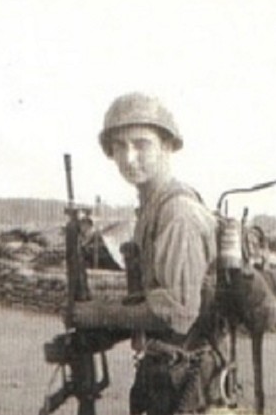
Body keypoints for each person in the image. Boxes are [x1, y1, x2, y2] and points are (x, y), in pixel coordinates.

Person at [67, 92, 224, 414]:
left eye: (141, 144)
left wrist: (98, 313)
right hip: (165, 371)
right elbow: (151, 298)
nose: (128, 157)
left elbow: (176, 313)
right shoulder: (151, 210)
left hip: (188, 381)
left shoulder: (178, 213)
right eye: (119, 146)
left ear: (167, 145)